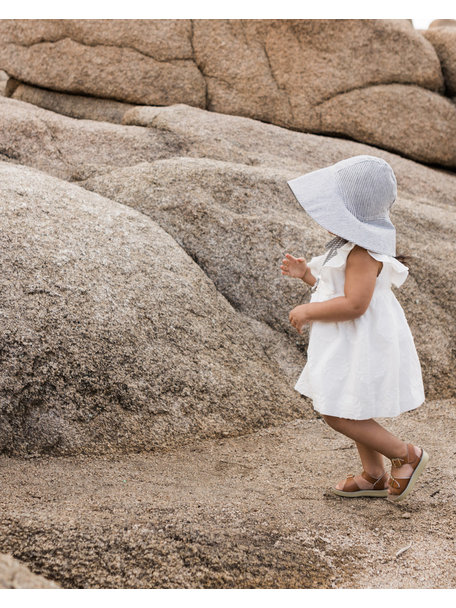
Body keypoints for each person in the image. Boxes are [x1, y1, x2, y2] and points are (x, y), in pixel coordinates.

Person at [281, 155, 429, 502]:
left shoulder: (364, 252)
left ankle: (406, 454)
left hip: (361, 340)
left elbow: (354, 304)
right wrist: (308, 276)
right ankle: (374, 476)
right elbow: (338, 290)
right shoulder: (349, 246)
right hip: (347, 339)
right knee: (353, 404)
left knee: (336, 411)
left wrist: (308, 310)